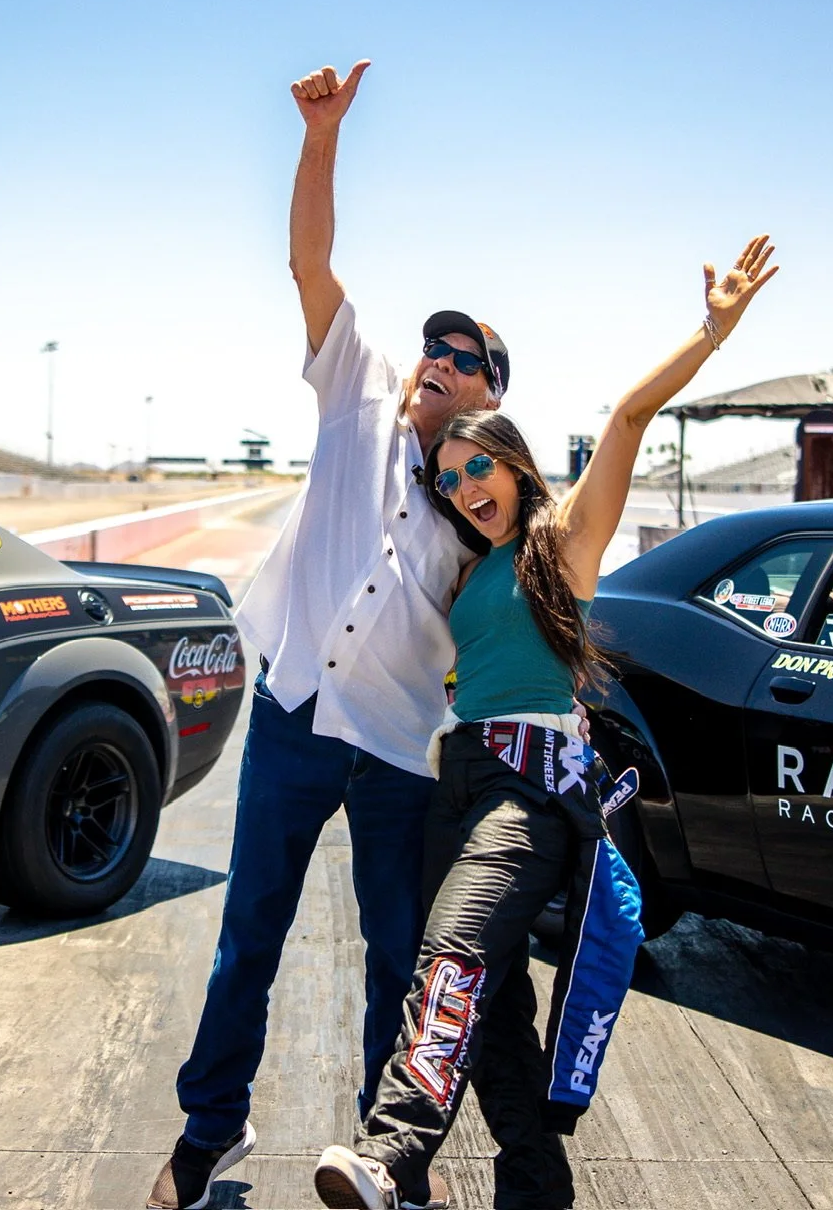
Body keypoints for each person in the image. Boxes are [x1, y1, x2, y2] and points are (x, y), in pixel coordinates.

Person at [313, 236, 780, 1210]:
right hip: (461, 785)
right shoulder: (470, 569)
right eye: (447, 479)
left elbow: (629, 414)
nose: (463, 487)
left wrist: (711, 330)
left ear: (514, 460)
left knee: (454, 949)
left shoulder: (560, 545)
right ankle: (539, 1189)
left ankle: (392, 1150)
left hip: (533, 791)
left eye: (476, 465)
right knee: (495, 1024)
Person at [150, 60, 510, 1210]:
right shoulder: (356, 388)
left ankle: (384, 1157)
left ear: (488, 395)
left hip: (402, 747)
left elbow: (514, 623)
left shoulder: (487, 498)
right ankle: (210, 1132)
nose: (435, 363)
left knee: (396, 966)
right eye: (432, 347)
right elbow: (309, 259)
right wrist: (320, 139)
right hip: (297, 713)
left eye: (461, 361)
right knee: (246, 934)